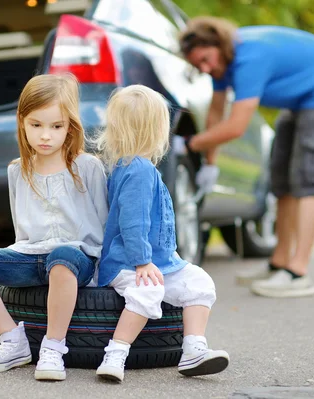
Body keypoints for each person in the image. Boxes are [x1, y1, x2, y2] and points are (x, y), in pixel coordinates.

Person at [179, 17, 314, 298]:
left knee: (308, 177)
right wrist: (210, 163)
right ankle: (279, 264)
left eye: (205, 59)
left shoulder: (249, 58)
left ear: (218, 44)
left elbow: (236, 126)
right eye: (197, 65)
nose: (205, 68)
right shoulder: (222, 65)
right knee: (281, 179)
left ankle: (298, 273)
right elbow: (216, 113)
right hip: (298, 101)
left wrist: (189, 145)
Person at [0, 73, 108, 380]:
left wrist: (106, 275)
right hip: (30, 255)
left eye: (56, 126)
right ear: (22, 122)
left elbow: (103, 224)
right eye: (36, 125)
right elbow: (20, 230)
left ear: (70, 126)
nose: (45, 135)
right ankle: (13, 340)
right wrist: (13, 262)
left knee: (62, 257)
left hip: (76, 259)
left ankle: (53, 348)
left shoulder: (87, 167)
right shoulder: (17, 170)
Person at [93, 85, 229, 382]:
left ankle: (194, 348)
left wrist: (168, 258)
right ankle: (115, 353)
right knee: (149, 291)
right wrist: (142, 261)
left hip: (158, 263)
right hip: (128, 263)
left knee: (198, 281)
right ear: (157, 130)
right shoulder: (138, 170)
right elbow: (133, 222)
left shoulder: (131, 166)